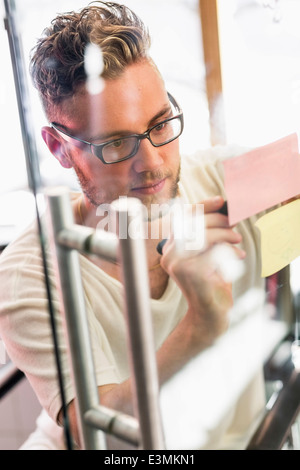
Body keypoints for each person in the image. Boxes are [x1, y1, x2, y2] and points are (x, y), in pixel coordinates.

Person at [0, 1, 266, 450]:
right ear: (58, 147)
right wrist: (199, 327)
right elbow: (93, 432)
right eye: (116, 142)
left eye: (161, 124)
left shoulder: (226, 178)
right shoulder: (29, 273)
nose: (153, 163)